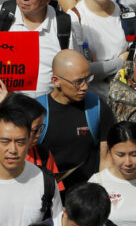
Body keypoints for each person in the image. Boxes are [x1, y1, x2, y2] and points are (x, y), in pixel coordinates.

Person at [38, 49, 116, 189]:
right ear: (56, 81)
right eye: (78, 82)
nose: (85, 87)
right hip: (48, 196)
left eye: (88, 79)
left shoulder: (97, 107)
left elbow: (106, 157)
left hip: (87, 196)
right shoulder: (37, 111)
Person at [68, 0, 130, 100]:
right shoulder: (74, 18)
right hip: (91, 103)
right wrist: (120, 62)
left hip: (125, 102)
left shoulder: (127, 14)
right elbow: (80, 72)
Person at [89, 122, 136, 226]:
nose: (128, 162)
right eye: (120, 155)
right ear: (109, 151)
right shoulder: (98, 183)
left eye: (134, 154)